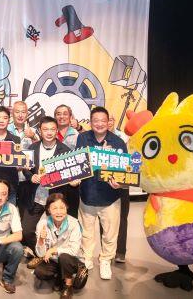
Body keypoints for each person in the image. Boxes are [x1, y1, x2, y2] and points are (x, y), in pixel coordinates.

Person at [73, 106, 127, 280]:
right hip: (87, 194)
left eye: (103, 120)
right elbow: (78, 163)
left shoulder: (118, 142)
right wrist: (75, 177)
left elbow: (125, 170)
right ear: (90, 122)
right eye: (96, 121)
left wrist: (120, 182)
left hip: (110, 197)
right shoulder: (82, 138)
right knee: (86, 232)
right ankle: (86, 258)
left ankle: (105, 260)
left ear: (108, 122)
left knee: (110, 233)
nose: (99, 124)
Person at [21, 117, 71, 268]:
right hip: (36, 197)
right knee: (27, 230)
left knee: (56, 231)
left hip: (55, 198)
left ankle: (52, 256)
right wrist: (31, 176)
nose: (49, 132)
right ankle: (39, 254)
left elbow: (70, 173)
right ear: (40, 131)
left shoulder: (65, 151)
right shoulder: (32, 148)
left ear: (57, 131)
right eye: (45, 129)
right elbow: (26, 169)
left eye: (52, 129)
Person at [34, 193, 88, 299]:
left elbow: (74, 251)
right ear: (49, 210)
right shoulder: (42, 224)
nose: (59, 212)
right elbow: (40, 254)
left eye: (62, 208)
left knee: (64, 258)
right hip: (54, 260)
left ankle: (68, 285)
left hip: (72, 259)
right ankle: (60, 276)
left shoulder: (74, 223)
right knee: (40, 272)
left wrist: (54, 250)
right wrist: (40, 240)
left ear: (66, 208)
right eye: (54, 208)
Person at [7, 101, 39, 219]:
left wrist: (33, 137)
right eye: (17, 112)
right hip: (9, 177)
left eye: (23, 112)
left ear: (27, 114)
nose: (20, 115)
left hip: (27, 179)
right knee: (8, 212)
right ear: (12, 113)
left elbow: (40, 150)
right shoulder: (5, 129)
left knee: (24, 214)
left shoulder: (34, 131)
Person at [108, 116, 130, 264]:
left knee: (122, 218)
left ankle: (120, 252)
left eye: (110, 120)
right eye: (105, 120)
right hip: (103, 184)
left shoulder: (123, 138)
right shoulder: (95, 138)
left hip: (122, 183)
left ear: (114, 121)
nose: (108, 123)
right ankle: (107, 252)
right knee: (105, 220)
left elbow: (132, 162)